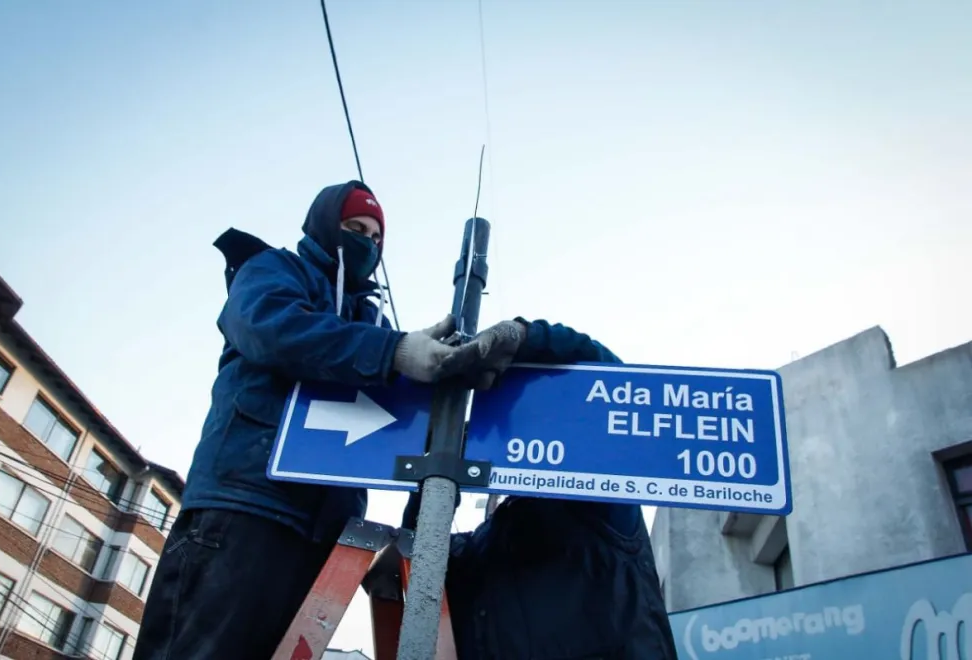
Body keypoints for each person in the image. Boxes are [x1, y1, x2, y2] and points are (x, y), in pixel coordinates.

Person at [134, 181, 482, 660]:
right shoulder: (273, 271)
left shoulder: (370, 322)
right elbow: (271, 328)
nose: (366, 242)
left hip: (327, 534)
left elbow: (392, 422)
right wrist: (395, 351)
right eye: (354, 228)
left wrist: (440, 401)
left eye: (376, 237)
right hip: (246, 504)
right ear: (324, 224)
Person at [402, 318, 679, 660]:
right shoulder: (473, 553)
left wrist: (525, 338)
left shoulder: (595, 506)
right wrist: (440, 467)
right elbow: (417, 554)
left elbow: (615, 392)